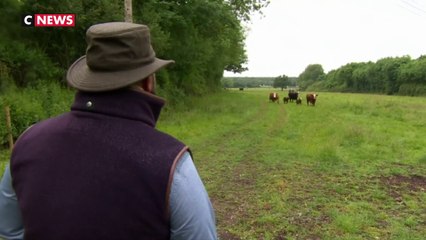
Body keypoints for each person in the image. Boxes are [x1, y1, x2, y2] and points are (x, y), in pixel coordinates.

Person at [0, 22, 217, 240]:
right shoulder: (171, 163)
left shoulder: (27, 142)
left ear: (88, 78)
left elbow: (10, 231)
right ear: (148, 82)